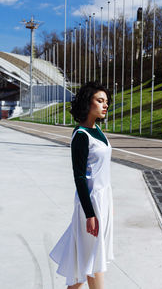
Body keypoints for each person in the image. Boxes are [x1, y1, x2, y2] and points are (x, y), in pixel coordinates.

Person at [49, 82, 114, 289]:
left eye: (106, 102)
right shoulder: (81, 136)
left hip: (104, 201)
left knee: (90, 261)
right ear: (88, 103)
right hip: (91, 203)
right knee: (88, 261)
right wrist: (89, 214)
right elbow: (79, 177)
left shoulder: (98, 131)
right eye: (100, 101)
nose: (105, 105)